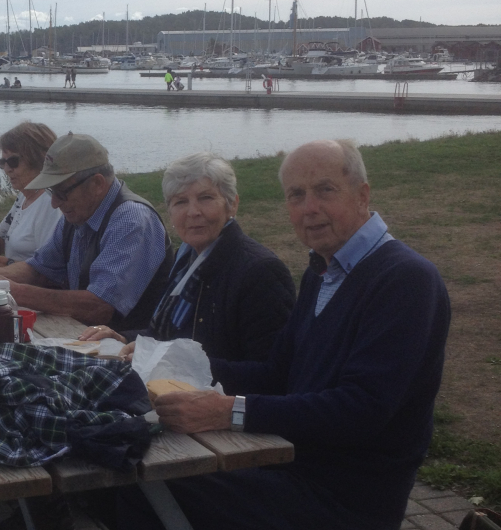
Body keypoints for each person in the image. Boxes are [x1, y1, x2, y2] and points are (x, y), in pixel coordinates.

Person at [115, 139, 451, 530]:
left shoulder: (405, 279)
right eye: (296, 195)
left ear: (362, 195)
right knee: (131, 463)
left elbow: (363, 410)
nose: (310, 208)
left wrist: (230, 411)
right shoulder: (322, 271)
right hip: (289, 463)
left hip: (344, 498)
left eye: (325, 190)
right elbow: (278, 374)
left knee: (141, 483)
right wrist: (164, 365)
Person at [79, 153, 295, 363]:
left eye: (206, 198)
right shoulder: (188, 257)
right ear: (170, 212)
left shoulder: (260, 273)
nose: (193, 212)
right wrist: (124, 337)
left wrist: (170, 360)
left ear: (232, 204)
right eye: (180, 202)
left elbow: (270, 374)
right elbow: (171, 333)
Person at [0, 132, 173, 329]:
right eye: (51, 191)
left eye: (62, 192)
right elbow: (39, 269)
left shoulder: (131, 220)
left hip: (126, 350)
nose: (54, 203)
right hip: (86, 338)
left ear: (97, 184)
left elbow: (100, 306)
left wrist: (12, 290)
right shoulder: (79, 214)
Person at [0, 122, 63, 266]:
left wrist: (1, 262)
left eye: (13, 161)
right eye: (2, 162)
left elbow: (49, 270)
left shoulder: (51, 204)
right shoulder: (25, 196)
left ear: (38, 159)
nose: (6, 169)